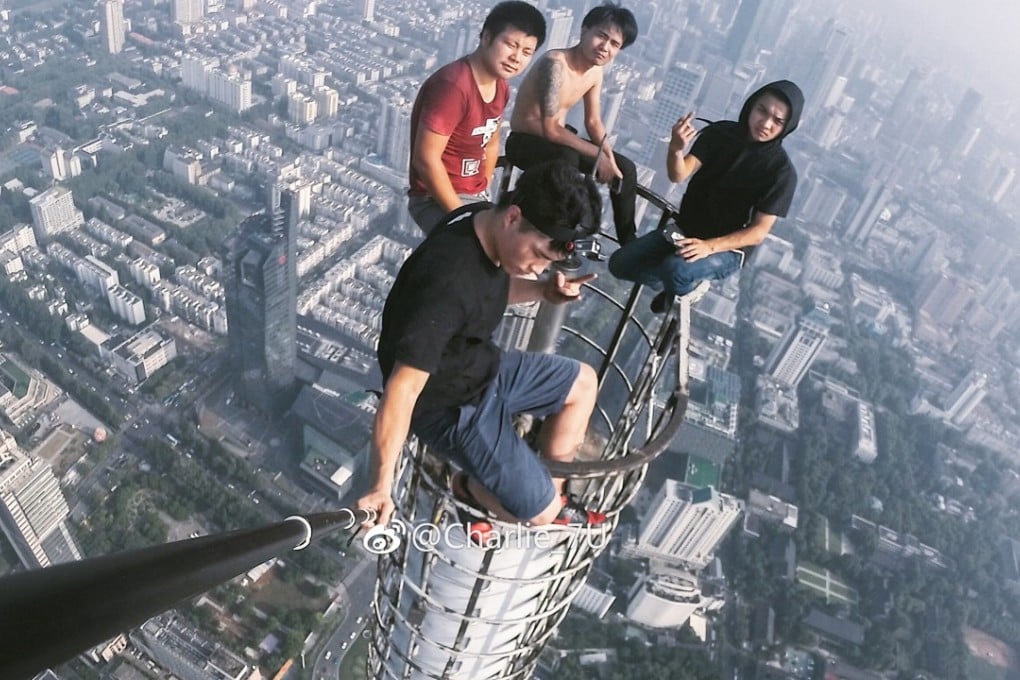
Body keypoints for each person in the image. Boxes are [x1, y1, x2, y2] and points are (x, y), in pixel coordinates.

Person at [357, 161, 608, 539]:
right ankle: (472, 490)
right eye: (539, 254)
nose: (538, 267)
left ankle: (550, 493)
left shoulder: (478, 219)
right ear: (513, 217)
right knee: (539, 516)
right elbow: (402, 389)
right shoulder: (448, 281)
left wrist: (543, 293)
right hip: (448, 407)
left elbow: (487, 291)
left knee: (583, 383)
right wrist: (380, 482)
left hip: (481, 365)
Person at [608, 80, 804, 312]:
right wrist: (676, 148)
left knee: (676, 268)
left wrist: (708, 247)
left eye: (778, 121)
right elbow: (678, 174)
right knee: (620, 264)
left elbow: (758, 233)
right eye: (762, 111)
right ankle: (676, 286)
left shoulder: (781, 172)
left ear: (787, 126)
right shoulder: (720, 133)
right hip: (685, 230)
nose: (766, 123)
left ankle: (688, 286)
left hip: (727, 250)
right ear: (751, 106)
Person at [407, 1, 546, 234]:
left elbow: (491, 141)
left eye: (526, 52)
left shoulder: (500, 86)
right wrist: (463, 218)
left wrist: (483, 186)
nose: (516, 57)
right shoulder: (453, 86)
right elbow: (425, 160)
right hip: (435, 198)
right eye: (511, 45)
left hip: (475, 194)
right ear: (486, 37)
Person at [506, 2, 640, 244]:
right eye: (601, 36)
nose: (605, 47)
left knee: (626, 168)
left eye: (614, 44)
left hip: (558, 141)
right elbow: (549, 128)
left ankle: (628, 242)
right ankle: (553, 233)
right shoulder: (555, 64)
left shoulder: (595, 72)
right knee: (568, 159)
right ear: (584, 30)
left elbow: (593, 122)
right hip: (524, 142)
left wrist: (609, 159)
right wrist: (598, 158)